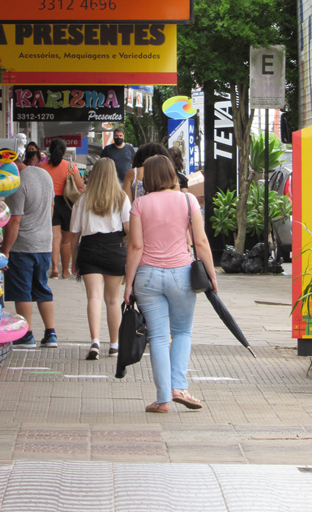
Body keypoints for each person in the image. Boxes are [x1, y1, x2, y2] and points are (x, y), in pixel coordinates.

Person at [124, 155, 217, 413]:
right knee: (183, 332)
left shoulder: (139, 204)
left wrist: (128, 283)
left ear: (148, 178)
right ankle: (179, 386)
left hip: (148, 277)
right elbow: (200, 243)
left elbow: (135, 246)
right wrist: (212, 275)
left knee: (158, 337)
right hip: (181, 275)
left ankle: (163, 398)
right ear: (172, 174)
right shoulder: (188, 201)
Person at [70, 158, 131, 360]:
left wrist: (73, 259)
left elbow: (74, 233)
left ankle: (95, 341)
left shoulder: (83, 199)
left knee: (94, 297)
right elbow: (129, 229)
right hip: (114, 248)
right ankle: (114, 345)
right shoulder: (122, 198)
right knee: (113, 300)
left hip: (89, 248)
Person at [2, 158, 57, 349]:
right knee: (42, 289)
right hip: (44, 243)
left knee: (22, 290)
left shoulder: (17, 184)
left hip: (22, 246)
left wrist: (5, 250)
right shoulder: (44, 174)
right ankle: (51, 334)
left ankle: (26, 335)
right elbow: (51, 207)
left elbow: (14, 220)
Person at [41, 138, 85, 279]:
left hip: (49, 202)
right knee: (65, 240)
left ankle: (54, 268)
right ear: (64, 151)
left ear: (49, 151)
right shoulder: (70, 167)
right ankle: (65, 271)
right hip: (66, 203)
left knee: (55, 237)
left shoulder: (42, 167)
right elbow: (81, 187)